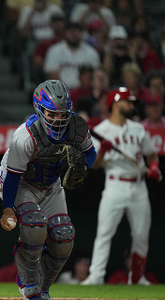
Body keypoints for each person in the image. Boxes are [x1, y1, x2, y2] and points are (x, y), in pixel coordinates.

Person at [0, 80, 97, 299]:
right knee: (34, 225)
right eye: (52, 114)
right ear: (39, 110)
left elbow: (91, 153)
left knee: (63, 238)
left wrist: (83, 164)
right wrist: (8, 209)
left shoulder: (78, 126)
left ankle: (43, 288)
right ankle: (28, 283)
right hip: (20, 182)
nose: (59, 119)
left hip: (51, 185)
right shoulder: (25, 136)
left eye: (63, 114)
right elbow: (13, 176)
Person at [81, 87, 162, 286]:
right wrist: (102, 153)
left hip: (138, 185)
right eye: (128, 102)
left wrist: (153, 167)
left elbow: (151, 154)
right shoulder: (101, 131)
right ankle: (96, 276)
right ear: (116, 104)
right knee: (104, 233)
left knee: (141, 235)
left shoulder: (137, 128)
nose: (132, 106)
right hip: (115, 184)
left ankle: (137, 277)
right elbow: (93, 165)